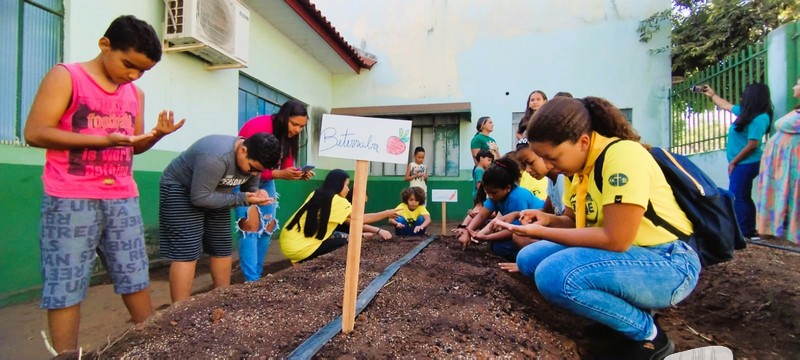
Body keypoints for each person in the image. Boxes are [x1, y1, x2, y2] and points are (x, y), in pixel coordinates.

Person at [21, 15, 185, 354]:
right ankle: (69, 355)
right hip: (69, 197)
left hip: (122, 196)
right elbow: (35, 131)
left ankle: (153, 346)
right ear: (104, 45)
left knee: (135, 274)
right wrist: (102, 140)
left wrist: (154, 136)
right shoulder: (67, 77)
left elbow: (132, 145)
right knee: (66, 284)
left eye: (142, 71)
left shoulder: (135, 93)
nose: (133, 76)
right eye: (129, 65)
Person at [495, 96, 701, 359]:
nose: (548, 165)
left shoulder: (621, 156)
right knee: (528, 258)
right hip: (631, 258)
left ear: (582, 142)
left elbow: (616, 238)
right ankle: (614, 318)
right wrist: (546, 219)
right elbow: (574, 223)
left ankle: (648, 335)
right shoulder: (580, 168)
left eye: (552, 157)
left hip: (668, 263)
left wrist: (540, 232)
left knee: (553, 275)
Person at [159, 133, 281, 303]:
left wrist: (258, 193)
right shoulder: (216, 157)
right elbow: (200, 197)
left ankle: (222, 301)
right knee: (186, 251)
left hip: (219, 193)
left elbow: (250, 188)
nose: (254, 173)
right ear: (243, 150)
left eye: (258, 171)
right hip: (182, 190)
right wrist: (240, 199)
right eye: (252, 168)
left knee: (222, 247)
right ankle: (179, 310)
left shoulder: (254, 162)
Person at [234, 100, 313, 282]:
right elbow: (248, 165)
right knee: (249, 228)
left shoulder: (289, 136)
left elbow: (285, 166)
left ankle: (258, 275)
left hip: (266, 182)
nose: (297, 130)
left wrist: (298, 174)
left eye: (302, 127)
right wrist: (279, 173)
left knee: (267, 227)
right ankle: (251, 279)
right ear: (284, 117)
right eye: (294, 124)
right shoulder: (259, 126)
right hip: (245, 179)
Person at [701, 84, 772, 237]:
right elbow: (726, 106)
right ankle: (746, 230)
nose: (742, 97)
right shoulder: (747, 114)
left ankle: (746, 231)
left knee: (738, 195)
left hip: (747, 163)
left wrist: (734, 162)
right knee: (741, 195)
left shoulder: (760, 118)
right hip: (742, 163)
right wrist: (712, 94)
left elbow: (753, 144)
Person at [281, 170, 393, 263]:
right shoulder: (337, 201)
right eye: (346, 185)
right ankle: (307, 263)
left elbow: (350, 220)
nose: (347, 189)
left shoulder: (316, 193)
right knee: (344, 242)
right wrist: (386, 213)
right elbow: (360, 219)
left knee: (338, 235)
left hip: (287, 241)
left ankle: (298, 263)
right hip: (300, 248)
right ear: (338, 184)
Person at [453, 156, 544, 261]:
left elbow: (515, 230)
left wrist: (486, 237)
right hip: (521, 230)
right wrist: (468, 231)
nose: (490, 196)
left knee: (500, 247)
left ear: (508, 188)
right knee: (496, 246)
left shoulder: (517, 197)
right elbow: (482, 215)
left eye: (493, 193)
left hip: (538, 230)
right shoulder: (496, 196)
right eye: (488, 193)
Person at [756, 77, 800, 244]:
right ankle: (772, 229)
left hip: (792, 162)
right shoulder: (796, 110)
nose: (794, 86)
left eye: (798, 83)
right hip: (780, 161)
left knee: (792, 195)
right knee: (779, 194)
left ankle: (792, 233)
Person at [334, 187, 399, 241]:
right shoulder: (343, 207)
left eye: (364, 204)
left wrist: (362, 234)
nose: (363, 206)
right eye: (361, 203)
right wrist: (379, 230)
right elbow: (355, 222)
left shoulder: (355, 210)